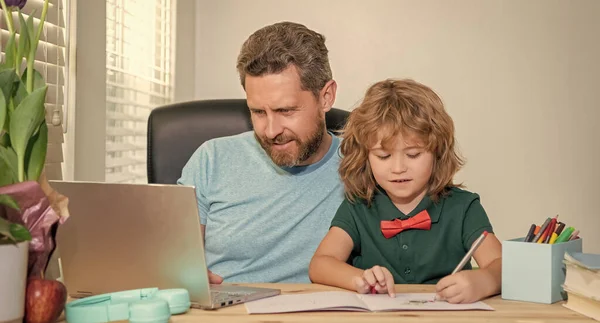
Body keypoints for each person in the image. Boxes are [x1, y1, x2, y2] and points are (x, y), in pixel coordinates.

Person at [177, 21, 344, 283]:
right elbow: (174, 257)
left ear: (326, 97)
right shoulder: (212, 159)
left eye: (285, 111)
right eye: (257, 112)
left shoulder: (365, 165)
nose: (270, 130)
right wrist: (180, 274)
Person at [308, 79, 502, 304]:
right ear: (365, 156)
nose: (398, 168)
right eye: (383, 156)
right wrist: (360, 279)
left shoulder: (464, 208)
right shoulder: (358, 206)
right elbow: (320, 264)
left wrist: (484, 281)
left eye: (413, 155)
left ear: (437, 152)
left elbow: (502, 264)